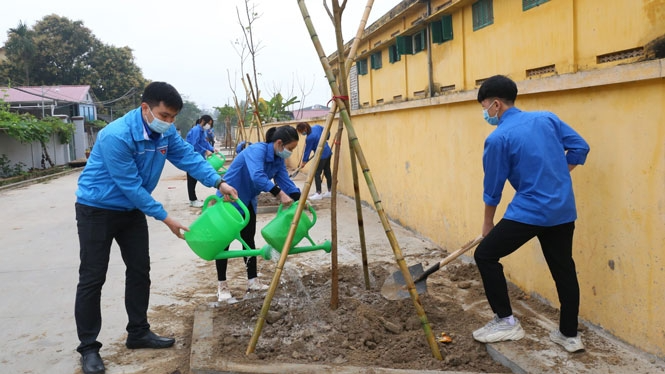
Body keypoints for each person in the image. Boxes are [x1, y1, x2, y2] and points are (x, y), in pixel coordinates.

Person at [74, 82, 238, 374]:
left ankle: (138, 332)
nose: (169, 122)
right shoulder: (116, 136)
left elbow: (188, 158)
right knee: (92, 277)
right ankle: (88, 347)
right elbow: (130, 186)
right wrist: (166, 217)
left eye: (173, 117)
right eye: (164, 115)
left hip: (131, 210)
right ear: (145, 108)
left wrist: (218, 182)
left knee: (139, 270)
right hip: (97, 209)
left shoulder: (167, 132)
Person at [471, 75, 590, 353]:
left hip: (528, 212)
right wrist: (557, 173)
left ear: (496, 104)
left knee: (485, 255)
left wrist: (488, 222)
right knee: (564, 269)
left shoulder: (498, 137)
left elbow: (493, 188)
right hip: (562, 210)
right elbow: (580, 147)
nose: (485, 112)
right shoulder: (547, 119)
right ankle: (569, 335)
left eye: (485, 106)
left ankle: (506, 321)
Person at [215, 125, 301, 302]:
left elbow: (285, 181)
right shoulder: (256, 151)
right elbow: (257, 176)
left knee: (248, 241)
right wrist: (279, 194)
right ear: (279, 143)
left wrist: (299, 197)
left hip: (247, 202)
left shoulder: (277, 160)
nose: (290, 152)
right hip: (230, 200)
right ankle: (222, 285)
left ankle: (252, 281)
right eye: (290, 148)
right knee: (224, 243)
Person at [295, 122, 332, 200]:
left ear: (305, 129)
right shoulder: (317, 127)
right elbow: (327, 131)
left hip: (321, 155)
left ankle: (318, 193)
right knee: (327, 171)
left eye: (301, 131)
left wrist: (304, 162)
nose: (302, 133)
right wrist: (326, 138)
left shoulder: (310, 138)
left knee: (317, 173)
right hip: (328, 152)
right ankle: (330, 191)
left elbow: (307, 151)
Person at [185, 115, 216, 207]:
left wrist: (212, 149)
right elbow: (195, 144)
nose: (209, 126)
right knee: (191, 178)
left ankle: (193, 199)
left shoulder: (202, 130)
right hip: (192, 156)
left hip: (197, 157)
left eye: (210, 124)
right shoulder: (196, 130)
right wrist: (205, 151)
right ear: (202, 121)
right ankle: (192, 199)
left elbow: (204, 142)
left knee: (194, 178)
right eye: (208, 123)